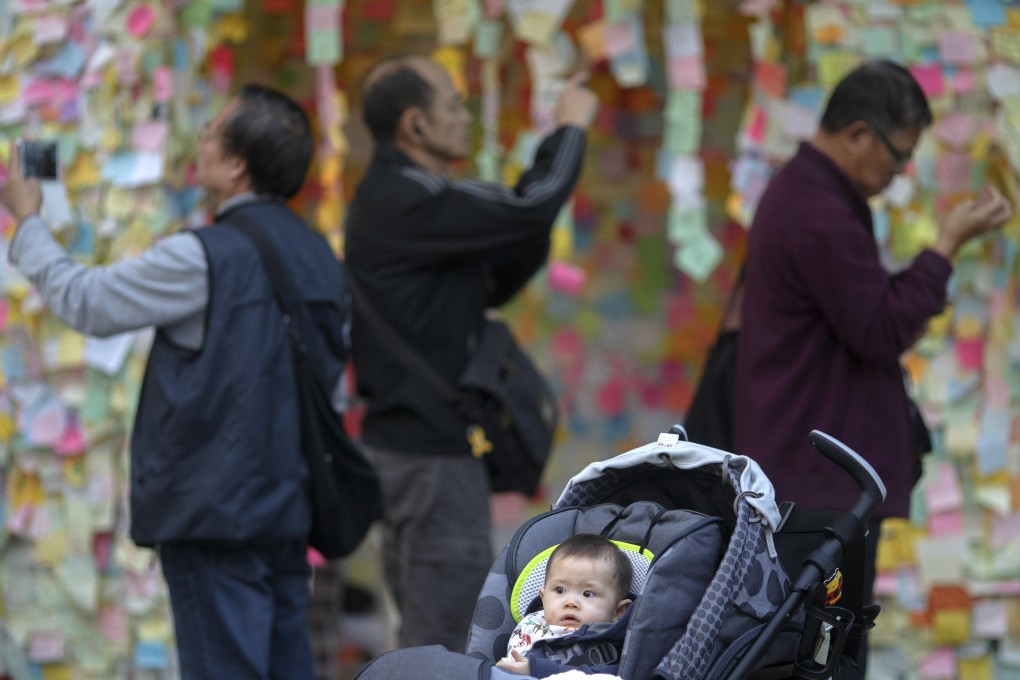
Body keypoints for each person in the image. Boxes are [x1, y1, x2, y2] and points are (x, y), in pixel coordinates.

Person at [2, 84, 351, 679]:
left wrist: (29, 220)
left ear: (237, 165)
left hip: (215, 513)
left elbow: (88, 303)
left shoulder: (203, 255)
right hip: (290, 506)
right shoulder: (319, 254)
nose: (200, 143)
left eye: (211, 133)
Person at [733, 60, 1012, 670]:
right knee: (824, 654)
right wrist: (944, 247)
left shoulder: (809, 193)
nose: (899, 171)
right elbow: (879, 328)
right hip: (819, 481)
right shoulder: (818, 210)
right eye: (898, 153)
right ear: (858, 134)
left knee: (816, 647)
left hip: (807, 469)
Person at [343, 54, 598, 653]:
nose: (465, 117)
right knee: (447, 642)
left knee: (430, 637)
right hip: (431, 460)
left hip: (416, 453)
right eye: (453, 105)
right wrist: (570, 129)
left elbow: (501, 263)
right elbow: (527, 207)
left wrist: (530, 212)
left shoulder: (404, 200)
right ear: (416, 126)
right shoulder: (407, 198)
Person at [496, 534, 633, 677]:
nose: (571, 602)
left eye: (588, 594)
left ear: (618, 611)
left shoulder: (609, 645)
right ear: (543, 598)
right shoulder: (531, 626)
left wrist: (536, 669)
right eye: (560, 590)